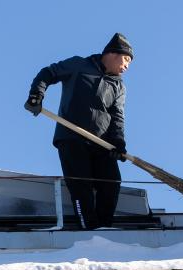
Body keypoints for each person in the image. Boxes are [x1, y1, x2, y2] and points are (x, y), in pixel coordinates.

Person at [24, 33, 133, 229]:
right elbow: (48, 73)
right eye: (126, 59)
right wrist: (36, 95)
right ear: (112, 53)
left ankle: (104, 229)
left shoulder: (119, 85)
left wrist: (118, 142)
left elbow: (117, 117)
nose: (127, 66)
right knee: (81, 185)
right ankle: (87, 229)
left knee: (111, 182)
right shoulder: (78, 65)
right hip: (71, 138)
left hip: (101, 143)